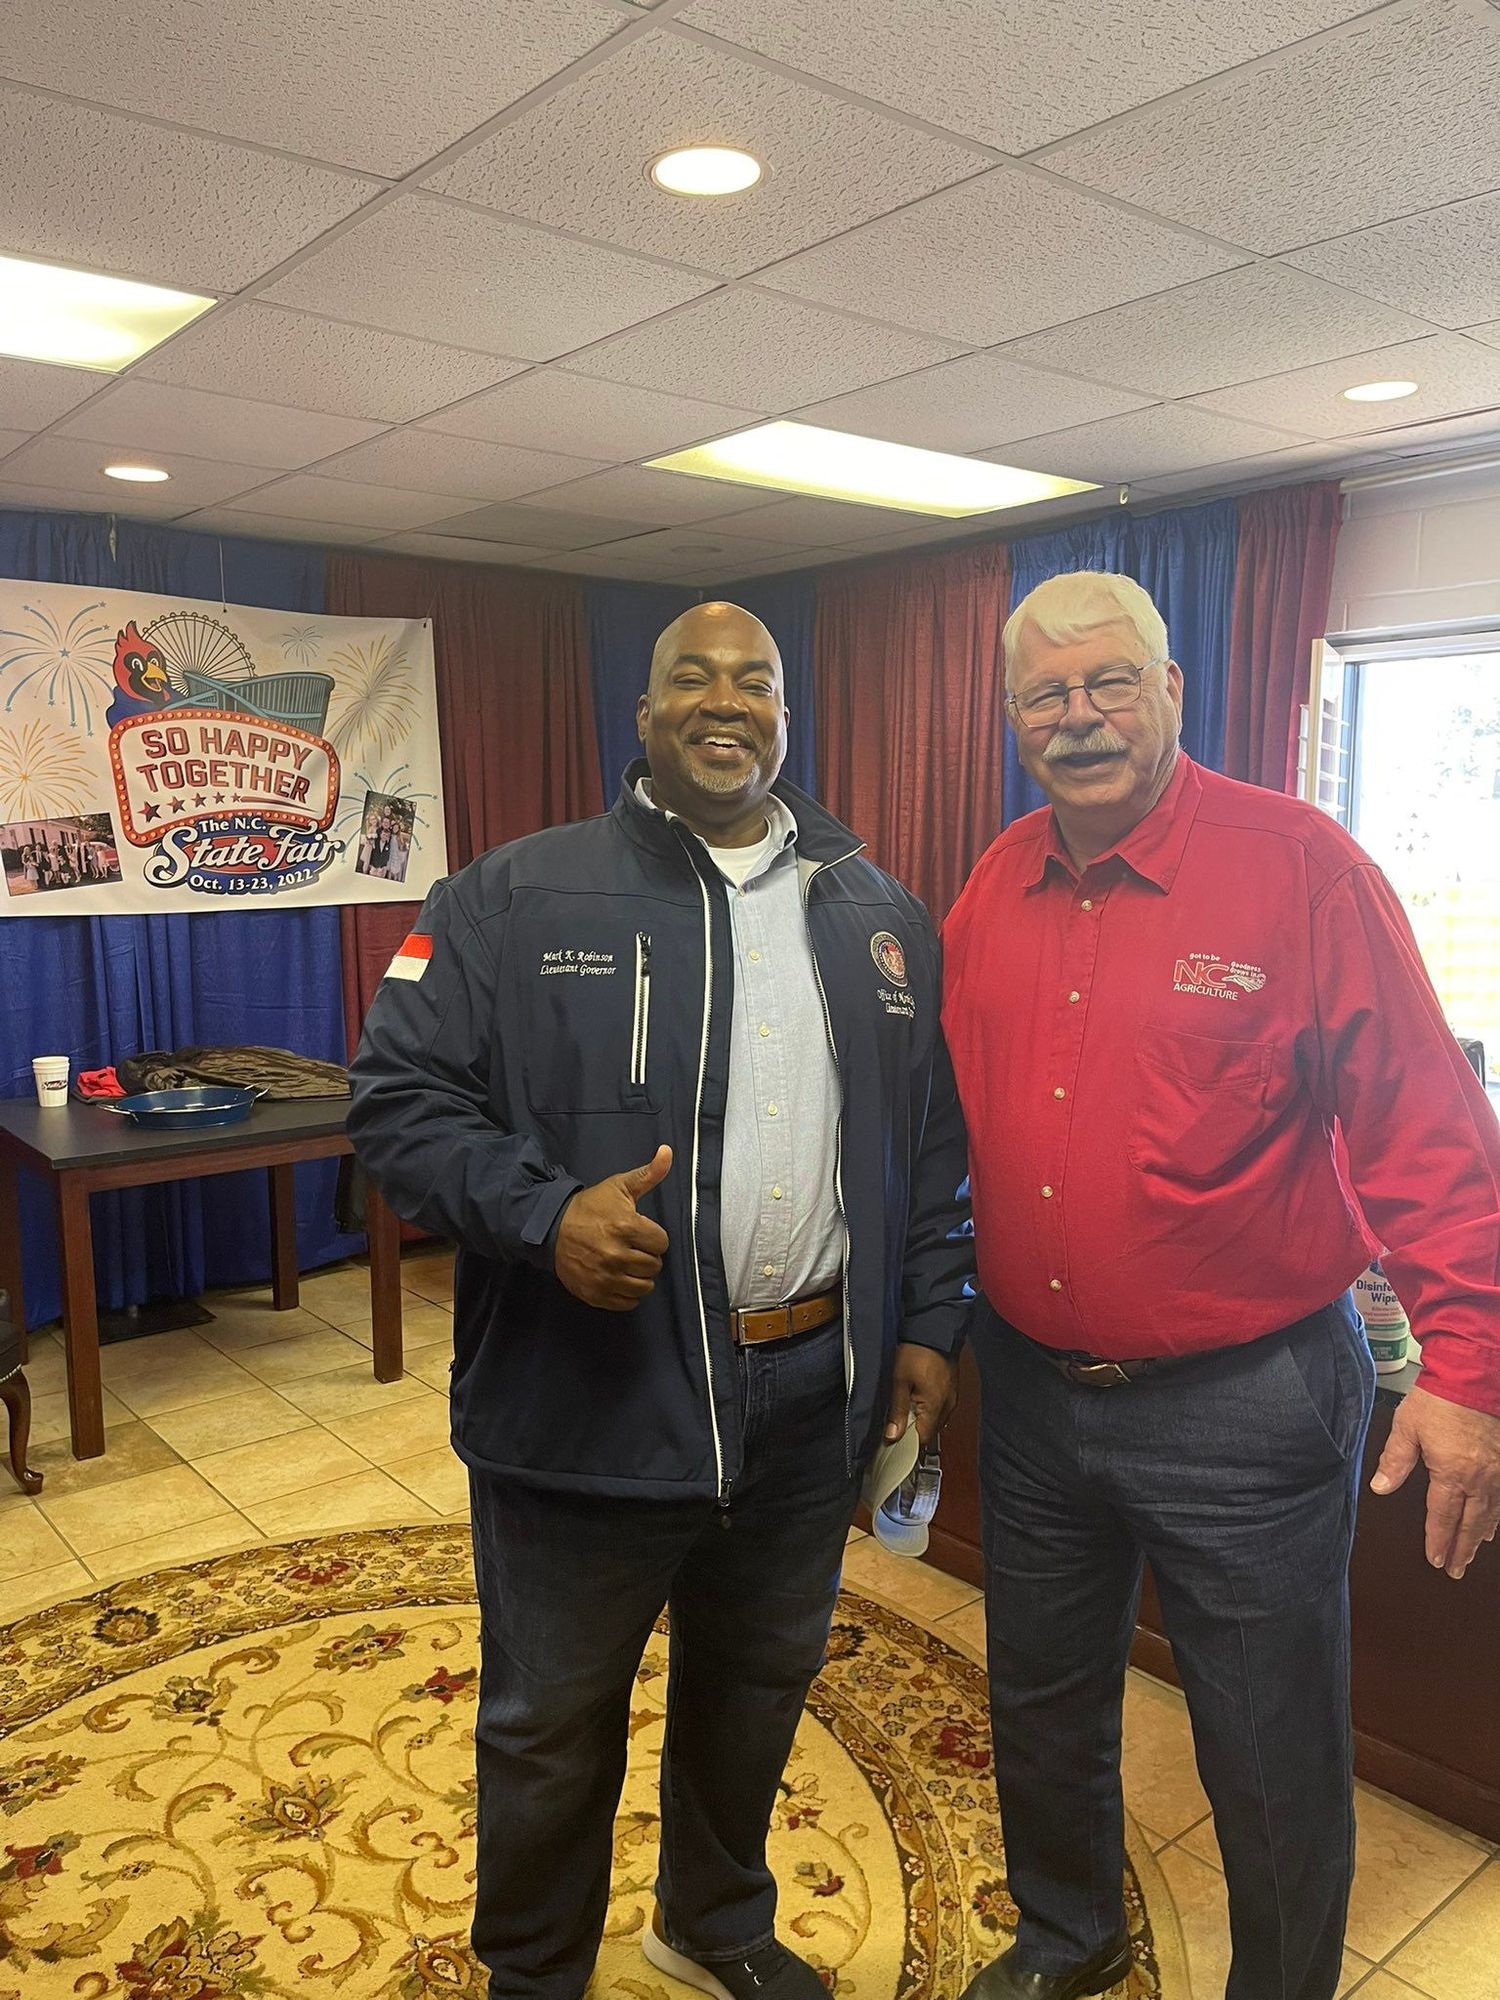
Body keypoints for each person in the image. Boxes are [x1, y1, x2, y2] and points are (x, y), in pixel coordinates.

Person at [349, 601, 973, 2000]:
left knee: (755, 1690)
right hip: (589, 1393)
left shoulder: (878, 914)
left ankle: (713, 1922)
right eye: (690, 676)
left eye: (755, 680)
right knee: (550, 1722)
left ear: (786, 718)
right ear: (643, 718)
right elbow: (394, 1103)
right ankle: (533, 1975)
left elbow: (928, 1144)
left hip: (812, 1398)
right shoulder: (514, 895)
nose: (724, 699)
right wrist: (542, 1213)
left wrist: (929, 1320)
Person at [942, 570, 1500, 2000]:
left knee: (1264, 1747)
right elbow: (942, 1122)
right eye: (1047, 694)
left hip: (1243, 1409)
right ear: (1012, 718)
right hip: (1032, 1395)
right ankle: (1069, 1941)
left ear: (1174, 689)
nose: (1081, 717)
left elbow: (1433, 1138)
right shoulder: (993, 886)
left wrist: (1467, 1375)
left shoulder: (1304, 870)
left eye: (1110, 681)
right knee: (1044, 1704)